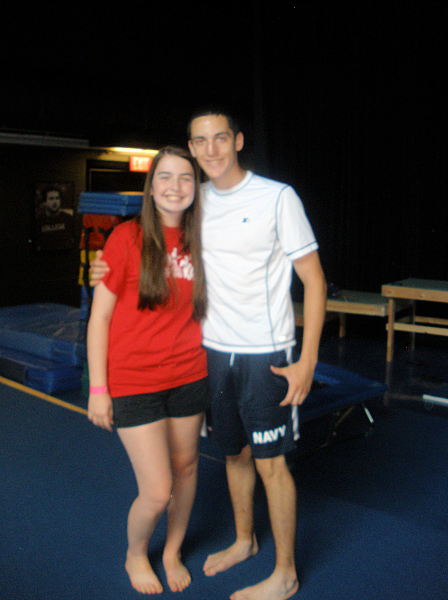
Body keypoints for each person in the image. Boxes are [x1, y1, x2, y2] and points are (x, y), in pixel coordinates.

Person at [91, 109, 327, 600]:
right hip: (212, 355)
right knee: (232, 455)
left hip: (262, 354)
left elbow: (314, 279)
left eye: (220, 138)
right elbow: (136, 260)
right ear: (192, 149)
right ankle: (243, 539)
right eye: (200, 141)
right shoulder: (190, 206)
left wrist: (307, 360)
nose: (211, 149)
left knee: (268, 465)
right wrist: (103, 267)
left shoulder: (275, 197)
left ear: (237, 141)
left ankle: (285, 573)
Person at [86, 146, 208, 595]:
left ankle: (172, 550)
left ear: (196, 188)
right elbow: (100, 317)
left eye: (185, 178)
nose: (175, 186)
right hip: (134, 380)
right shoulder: (126, 237)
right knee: (157, 490)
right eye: (165, 177)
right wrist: (98, 388)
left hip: (189, 375)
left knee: (187, 468)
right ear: (151, 186)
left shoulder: (204, 241)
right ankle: (136, 552)